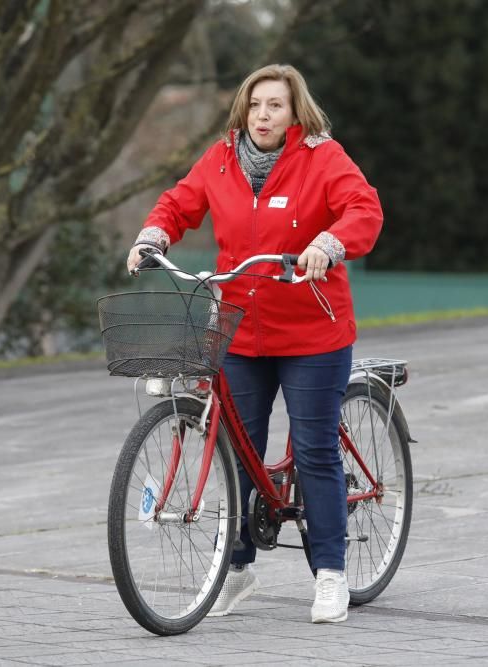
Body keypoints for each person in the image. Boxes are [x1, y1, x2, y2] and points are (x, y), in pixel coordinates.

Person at [126, 64, 383, 623]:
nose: (263, 116)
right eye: (256, 105)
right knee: (239, 452)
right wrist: (154, 234)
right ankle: (236, 569)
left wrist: (330, 242)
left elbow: (363, 209)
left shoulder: (322, 157)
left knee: (314, 450)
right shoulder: (220, 158)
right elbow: (180, 202)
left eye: (276, 106)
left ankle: (332, 575)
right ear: (243, 110)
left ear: (295, 113)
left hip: (312, 331)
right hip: (239, 327)